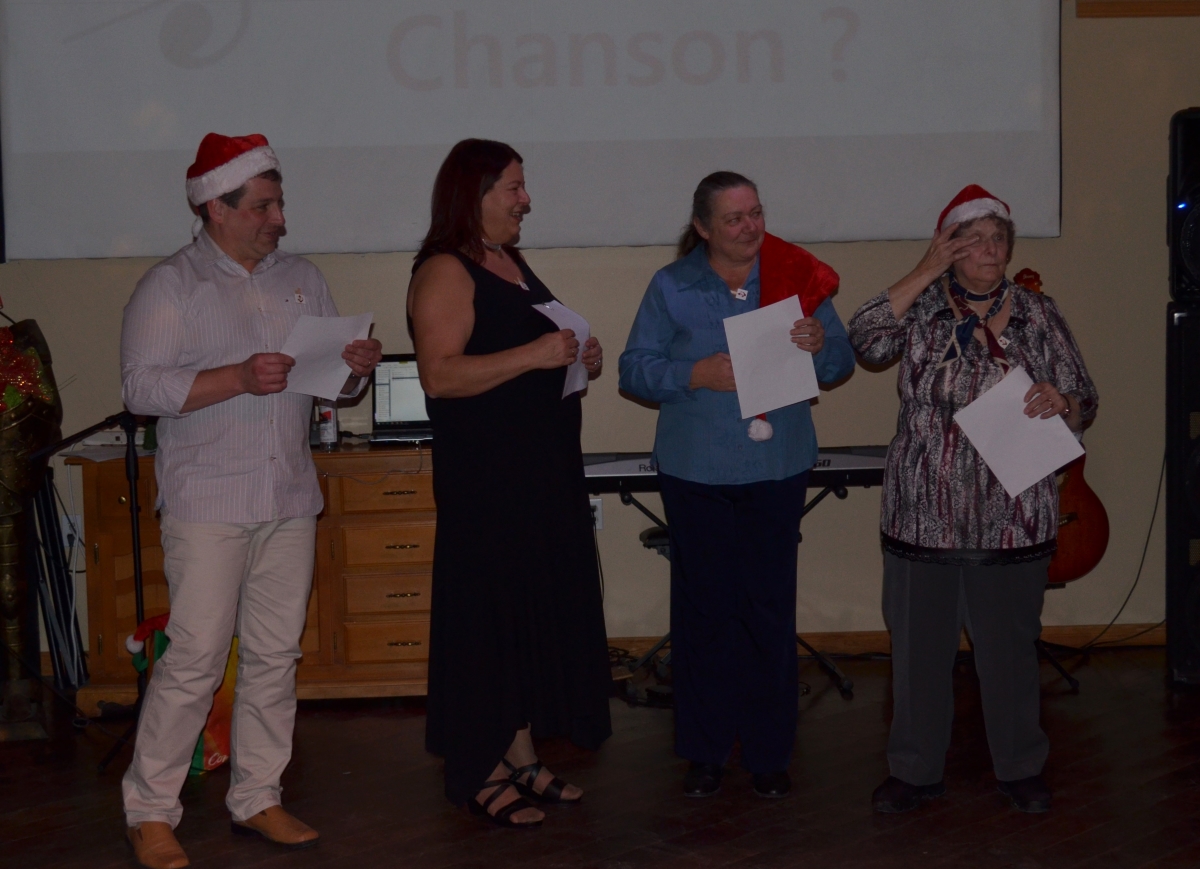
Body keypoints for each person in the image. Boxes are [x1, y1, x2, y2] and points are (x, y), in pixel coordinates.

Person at [120, 132, 382, 869]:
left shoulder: (302, 278)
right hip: (208, 500)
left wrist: (355, 369)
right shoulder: (170, 286)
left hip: (289, 493)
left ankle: (257, 794)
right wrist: (235, 377)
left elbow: (334, 389)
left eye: (279, 204)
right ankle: (149, 809)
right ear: (216, 206)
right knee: (196, 657)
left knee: (275, 654)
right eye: (263, 206)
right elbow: (139, 389)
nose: (279, 219)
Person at [847, 185, 1098, 815]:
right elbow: (865, 339)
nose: (989, 249)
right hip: (922, 513)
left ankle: (1020, 766)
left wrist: (1063, 401)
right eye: (974, 239)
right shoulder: (922, 309)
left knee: (1010, 651)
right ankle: (914, 769)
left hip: (1013, 516)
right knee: (918, 654)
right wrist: (924, 269)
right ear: (950, 247)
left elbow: (1084, 399)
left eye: (998, 238)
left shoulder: (1038, 312)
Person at [618, 172, 855, 799]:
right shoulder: (672, 285)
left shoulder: (794, 276)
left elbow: (841, 361)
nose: (750, 227)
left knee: (768, 611)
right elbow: (633, 369)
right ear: (702, 228)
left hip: (777, 467)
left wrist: (821, 343)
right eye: (734, 218)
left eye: (755, 213)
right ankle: (706, 752)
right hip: (696, 471)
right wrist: (693, 374)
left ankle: (769, 753)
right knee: (705, 614)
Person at [406, 139, 612, 829]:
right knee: (486, 621)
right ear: (475, 194)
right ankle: (480, 769)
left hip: (539, 474)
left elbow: (527, 348)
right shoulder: (445, 269)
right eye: (514, 188)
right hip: (488, 482)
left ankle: (520, 752)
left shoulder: (509, 261)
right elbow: (440, 374)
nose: (526, 200)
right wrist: (535, 353)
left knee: (526, 614)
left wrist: (577, 355)